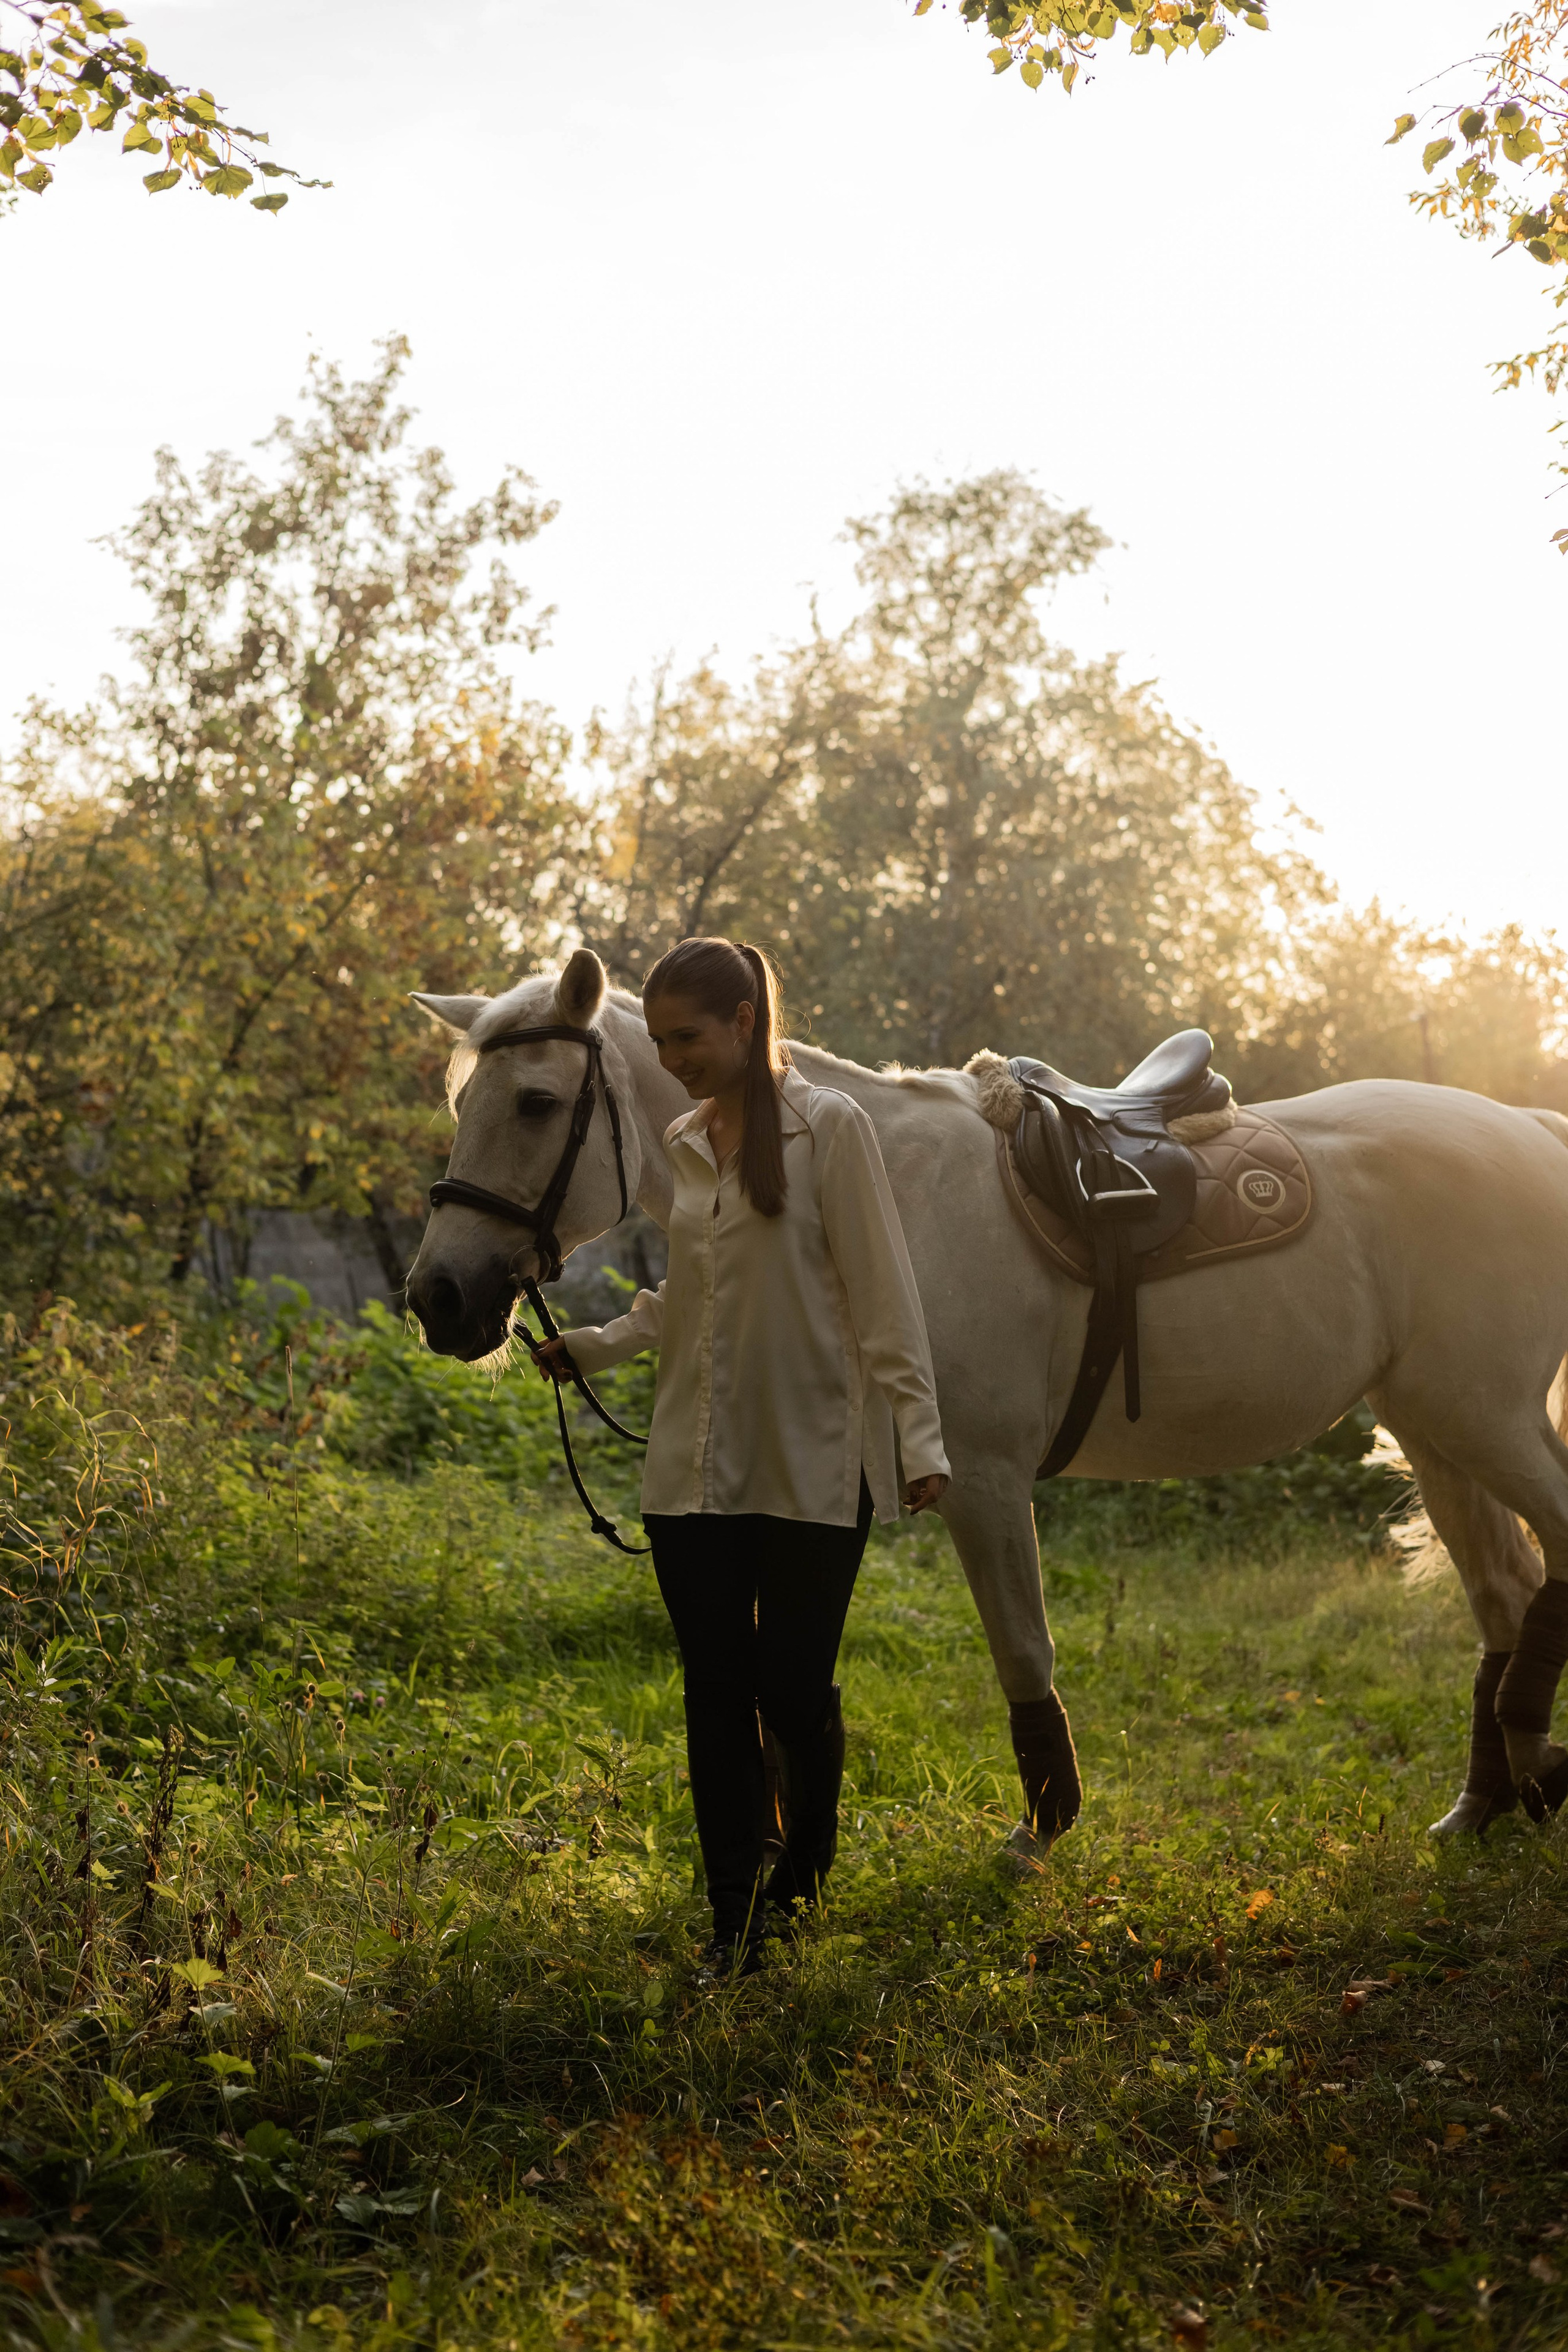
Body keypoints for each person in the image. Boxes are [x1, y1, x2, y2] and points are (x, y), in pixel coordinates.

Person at [534, 936, 949, 1973]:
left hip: (812, 1467)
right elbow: (694, 1291)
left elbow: (884, 1290)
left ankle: (799, 1893)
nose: (674, 1060)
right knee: (715, 1696)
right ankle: (733, 1919)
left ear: (745, 1023)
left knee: (794, 1694)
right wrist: (595, 1345)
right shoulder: (683, 1139)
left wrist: (918, 1434)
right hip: (692, 1471)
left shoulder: (831, 1127)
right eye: (662, 1042)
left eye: (690, 1038)